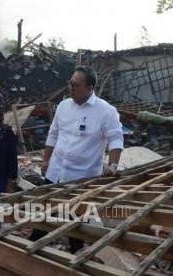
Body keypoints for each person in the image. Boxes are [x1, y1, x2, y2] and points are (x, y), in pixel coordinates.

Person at [31, 66, 124, 254]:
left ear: (90, 88)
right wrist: (46, 160)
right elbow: (53, 134)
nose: (70, 88)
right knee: (42, 221)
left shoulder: (106, 111)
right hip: (55, 174)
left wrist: (113, 164)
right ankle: (30, 255)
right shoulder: (64, 106)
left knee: (76, 229)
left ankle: (75, 261)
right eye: (70, 84)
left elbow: (116, 139)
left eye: (75, 85)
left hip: (82, 181)